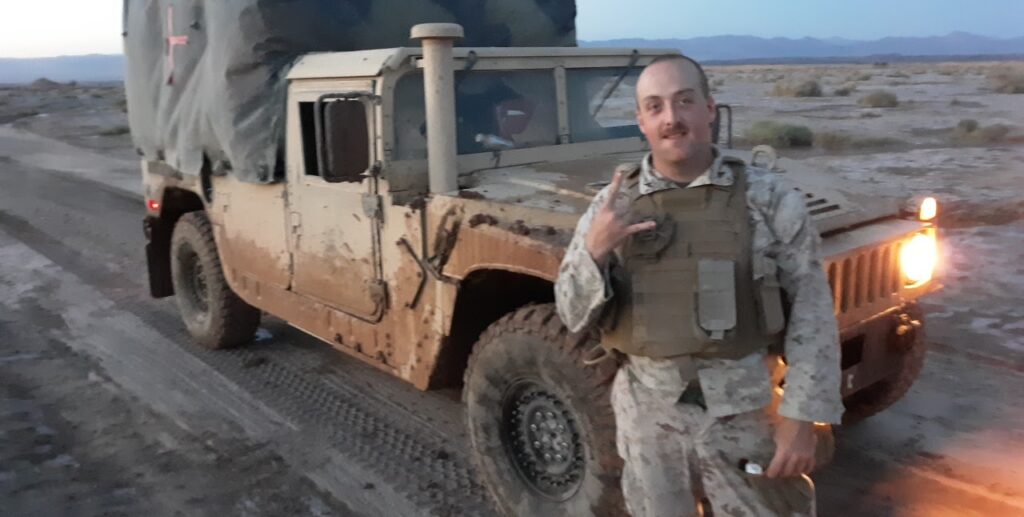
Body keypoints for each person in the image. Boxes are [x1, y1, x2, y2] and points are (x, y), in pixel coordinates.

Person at [554, 54, 843, 516]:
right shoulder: (612, 205)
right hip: (648, 416)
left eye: (684, 101)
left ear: (709, 108)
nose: (671, 118)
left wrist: (803, 416)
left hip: (745, 412)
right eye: (655, 107)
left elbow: (812, 311)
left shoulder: (767, 199)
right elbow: (571, 315)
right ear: (641, 121)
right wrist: (595, 250)